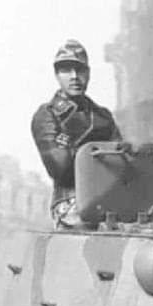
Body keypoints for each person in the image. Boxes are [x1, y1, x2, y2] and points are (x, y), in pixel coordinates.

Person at [32, 40, 124, 228]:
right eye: (66, 70)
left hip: (110, 201)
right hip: (71, 204)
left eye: (79, 70)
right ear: (57, 75)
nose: (74, 77)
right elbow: (60, 169)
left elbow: (121, 163)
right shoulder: (48, 115)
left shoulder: (103, 117)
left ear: (88, 74)